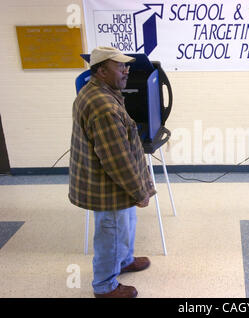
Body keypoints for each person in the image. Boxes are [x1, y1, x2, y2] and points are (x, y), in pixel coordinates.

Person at [69, 46, 156, 298]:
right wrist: (140, 191)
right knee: (112, 231)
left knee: (125, 223)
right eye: (120, 66)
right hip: (108, 185)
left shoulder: (102, 92)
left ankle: (124, 260)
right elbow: (117, 160)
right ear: (101, 71)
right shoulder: (103, 105)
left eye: (126, 65)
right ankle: (105, 286)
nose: (126, 70)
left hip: (112, 183)